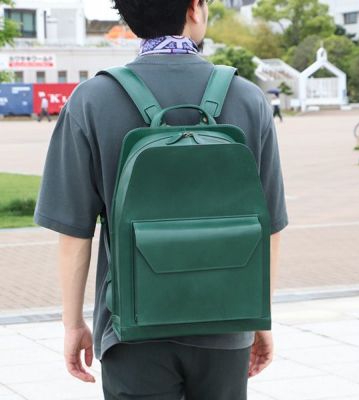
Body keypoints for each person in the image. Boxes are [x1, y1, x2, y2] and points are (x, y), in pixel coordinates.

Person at [34, 0, 288, 398]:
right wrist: (260, 317)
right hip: (225, 325)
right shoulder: (247, 97)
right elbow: (268, 225)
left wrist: (73, 324)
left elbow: (74, 233)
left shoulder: (92, 100)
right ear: (195, 8)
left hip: (130, 331)